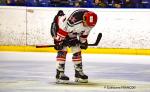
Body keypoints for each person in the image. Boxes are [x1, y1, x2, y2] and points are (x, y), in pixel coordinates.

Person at [50, 9, 97, 83]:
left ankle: (78, 73)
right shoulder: (74, 19)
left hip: (72, 31)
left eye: (89, 25)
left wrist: (83, 42)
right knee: (63, 49)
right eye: (86, 23)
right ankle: (59, 73)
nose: (87, 26)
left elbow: (84, 33)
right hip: (59, 27)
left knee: (77, 49)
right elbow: (63, 29)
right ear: (83, 18)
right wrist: (58, 41)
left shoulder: (91, 22)